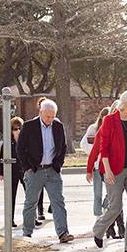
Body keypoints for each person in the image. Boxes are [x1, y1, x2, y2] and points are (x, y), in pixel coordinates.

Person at [92, 89, 127, 252]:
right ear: (124, 103)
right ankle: (98, 229)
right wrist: (107, 171)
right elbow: (104, 147)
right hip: (113, 169)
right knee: (115, 207)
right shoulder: (109, 120)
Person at [17, 98, 74, 243]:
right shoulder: (29, 126)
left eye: (53, 116)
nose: (50, 119)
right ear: (41, 112)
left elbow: (63, 147)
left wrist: (58, 164)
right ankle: (27, 233)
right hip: (35, 170)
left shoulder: (58, 126)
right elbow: (20, 149)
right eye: (47, 116)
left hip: (53, 170)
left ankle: (63, 233)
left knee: (58, 202)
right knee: (31, 202)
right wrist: (28, 168)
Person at [85, 105, 125, 239]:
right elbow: (95, 151)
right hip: (107, 169)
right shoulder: (104, 128)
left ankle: (117, 227)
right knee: (114, 200)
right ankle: (113, 228)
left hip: (123, 170)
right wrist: (89, 169)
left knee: (115, 200)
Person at [0, 116, 34, 228]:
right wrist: (0, 172)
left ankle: (32, 218)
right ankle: (10, 219)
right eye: (14, 129)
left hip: (25, 170)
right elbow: (1, 157)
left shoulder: (27, 141)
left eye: (19, 128)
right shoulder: (8, 143)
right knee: (11, 196)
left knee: (31, 196)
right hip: (12, 171)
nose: (17, 131)